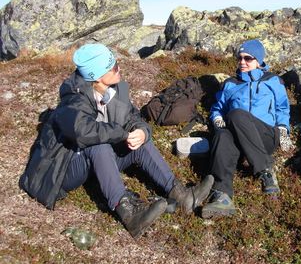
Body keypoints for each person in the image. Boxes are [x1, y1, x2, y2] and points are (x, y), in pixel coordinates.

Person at [20, 44, 214, 238]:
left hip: (95, 161)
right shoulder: (73, 98)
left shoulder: (114, 89)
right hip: (64, 169)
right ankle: (129, 214)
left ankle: (181, 195)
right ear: (96, 75)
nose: (118, 69)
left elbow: (133, 117)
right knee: (99, 145)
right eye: (112, 68)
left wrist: (142, 132)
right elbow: (83, 132)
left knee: (140, 143)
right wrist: (121, 134)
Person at [201, 39, 292, 219]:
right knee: (222, 136)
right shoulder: (230, 83)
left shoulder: (273, 80)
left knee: (236, 114)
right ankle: (223, 195)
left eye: (248, 58)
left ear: (258, 61)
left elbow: (283, 108)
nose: (242, 62)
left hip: (265, 136)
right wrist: (217, 119)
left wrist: (283, 130)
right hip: (239, 138)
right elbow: (218, 107)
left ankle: (265, 170)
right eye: (240, 58)